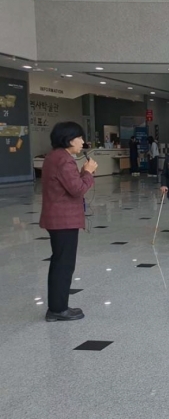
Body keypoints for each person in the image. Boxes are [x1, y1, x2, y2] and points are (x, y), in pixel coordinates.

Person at [41, 122, 97, 322]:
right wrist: (88, 172)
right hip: (63, 220)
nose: (82, 142)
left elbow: (69, 185)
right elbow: (77, 189)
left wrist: (82, 173)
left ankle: (57, 306)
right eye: (79, 137)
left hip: (58, 218)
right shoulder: (64, 160)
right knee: (63, 264)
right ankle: (58, 309)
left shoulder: (54, 157)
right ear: (69, 139)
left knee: (59, 262)